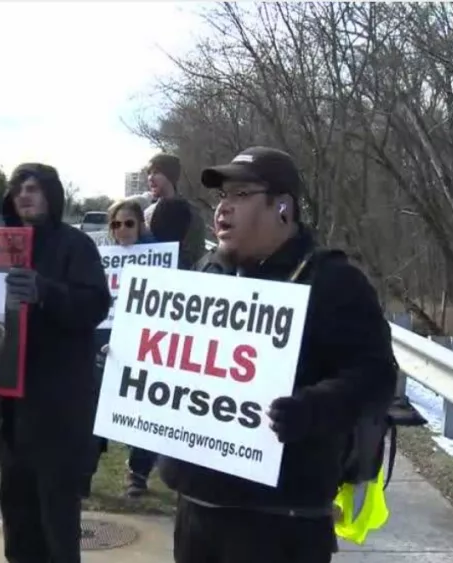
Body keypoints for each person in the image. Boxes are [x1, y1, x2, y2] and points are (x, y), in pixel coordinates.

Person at [158, 147, 397, 563]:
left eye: (240, 195)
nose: (223, 209)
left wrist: (313, 408)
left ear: (282, 207)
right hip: (197, 510)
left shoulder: (333, 281)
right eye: (221, 198)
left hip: (282, 520)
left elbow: (376, 377)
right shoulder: (206, 273)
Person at [0, 162, 111, 563]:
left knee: (57, 519)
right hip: (7, 405)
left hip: (57, 404)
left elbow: (96, 305)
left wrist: (44, 291)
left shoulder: (74, 245)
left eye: (34, 187)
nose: (25, 195)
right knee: (17, 512)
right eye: (18, 188)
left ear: (51, 194)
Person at [87, 198, 158, 499]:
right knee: (95, 409)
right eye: (116, 224)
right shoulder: (99, 258)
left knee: (141, 409)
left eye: (129, 223)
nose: (123, 229)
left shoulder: (159, 255)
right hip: (103, 339)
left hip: (144, 343)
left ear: (140, 225)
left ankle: (138, 472)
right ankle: (85, 471)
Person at [143, 153, 207, 268]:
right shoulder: (147, 214)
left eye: (156, 173)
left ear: (171, 176)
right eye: (149, 173)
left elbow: (196, 257)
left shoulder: (192, 213)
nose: (150, 178)